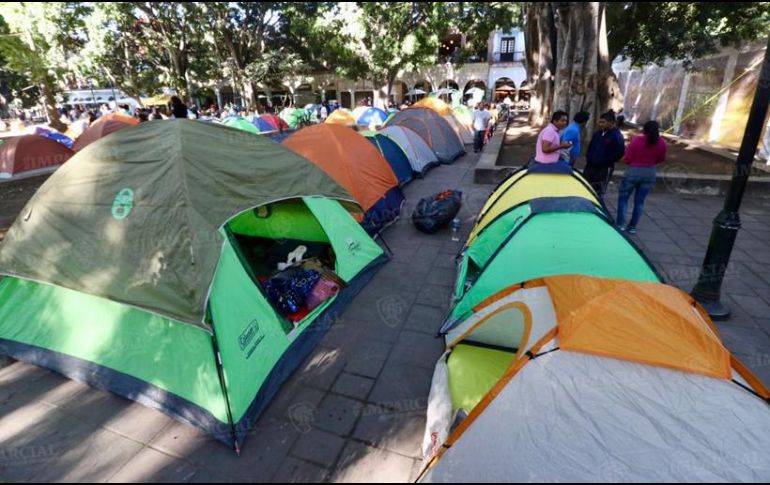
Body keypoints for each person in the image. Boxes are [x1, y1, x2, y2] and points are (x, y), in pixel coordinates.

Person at [616, 120, 666, 234]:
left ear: (644, 129)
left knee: (623, 198)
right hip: (649, 172)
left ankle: (620, 225)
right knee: (639, 202)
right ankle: (632, 227)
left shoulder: (636, 140)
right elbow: (661, 159)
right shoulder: (662, 143)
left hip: (633, 171)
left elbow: (627, 158)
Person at [584, 111, 625, 200]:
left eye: (603, 122)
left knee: (599, 192)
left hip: (604, 169)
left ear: (611, 123)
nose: (600, 124)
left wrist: (606, 160)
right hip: (590, 166)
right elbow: (591, 147)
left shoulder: (616, 136)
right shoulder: (597, 133)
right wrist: (589, 157)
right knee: (586, 188)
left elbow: (619, 152)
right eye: (600, 122)